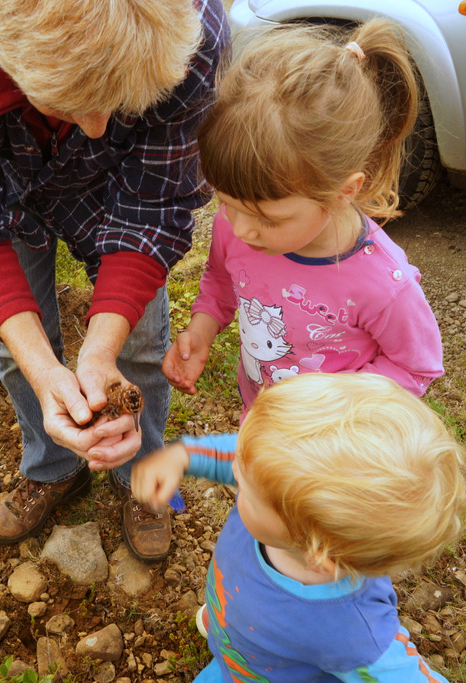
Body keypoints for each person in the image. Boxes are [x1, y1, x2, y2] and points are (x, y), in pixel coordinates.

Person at [0, 0, 229, 562]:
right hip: (1, 182)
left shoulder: (193, 25)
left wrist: (101, 350)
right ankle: (53, 467)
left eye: (118, 105)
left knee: (138, 349)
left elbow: (153, 207)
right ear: (2, 58)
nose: (96, 128)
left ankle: (141, 478)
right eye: (75, 104)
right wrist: (47, 373)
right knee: (20, 354)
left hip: (117, 190)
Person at [162, 20, 443, 419]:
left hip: (329, 448)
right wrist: (202, 331)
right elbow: (222, 280)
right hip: (262, 421)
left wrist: (336, 403)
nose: (240, 229)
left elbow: (417, 366)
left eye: (268, 219)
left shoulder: (383, 285)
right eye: (226, 203)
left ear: (343, 191)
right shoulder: (239, 228)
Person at [131, 372, 466, 682]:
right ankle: (233, 628)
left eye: (246, 489)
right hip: (239, 626)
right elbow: (250, 457)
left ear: (316, 552)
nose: (234, 472)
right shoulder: (281, 500)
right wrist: (185, 455)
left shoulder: (351, 632)